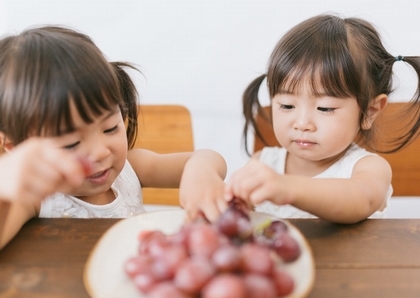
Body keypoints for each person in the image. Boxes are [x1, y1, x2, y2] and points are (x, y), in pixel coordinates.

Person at [0, 26, 227, 249]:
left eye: (110, 128)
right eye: (71, 144)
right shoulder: (34, 199)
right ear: (14, 147)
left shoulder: (133, 168)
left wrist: (201, 170)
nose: (100, 152)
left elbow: (207, 158)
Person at [210, 14, 420, 223]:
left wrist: (286, 187)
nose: (302, 124)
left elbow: (361, 199)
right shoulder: (263, 164)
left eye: (325, 108)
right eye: (287, 105)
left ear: (370, 111)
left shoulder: (368, 168)